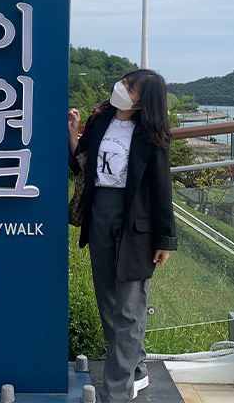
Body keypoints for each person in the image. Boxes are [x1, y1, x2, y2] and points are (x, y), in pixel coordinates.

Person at [68, 69, 177, 403]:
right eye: (125, 83)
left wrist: (165, 239)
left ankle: (116, 390)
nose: (121, 89)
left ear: (144, 101)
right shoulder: (100, 119)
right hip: (100, 211)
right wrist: (72, 133)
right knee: (108, 299)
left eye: (130, 89)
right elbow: (82, 163)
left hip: (137, 225)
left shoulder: (150, 134)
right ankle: (135, 367)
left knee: (129, 307)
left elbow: (162, 187)